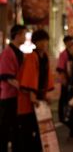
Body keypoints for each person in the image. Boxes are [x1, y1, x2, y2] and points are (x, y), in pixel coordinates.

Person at [17, 29, 54, 152]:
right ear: (35, 42)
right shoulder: (32, 57)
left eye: (45, 41)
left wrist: (45, 95)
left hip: (39, 97)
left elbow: (46, 78)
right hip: (29, 99)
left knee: (40, 130)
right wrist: (33, 96)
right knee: (29, 130)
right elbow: (30, 77)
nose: (43, 43)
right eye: (40, 41)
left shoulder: (45, 57)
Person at [0, 24, 27, 152]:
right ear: (17, 35)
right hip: (9, 95)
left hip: (18, 95)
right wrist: (22, 87)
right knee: (5, 126)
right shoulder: (7, 52)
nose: (25, 37)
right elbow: (6, 76)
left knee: (17, 126)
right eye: (24, 34)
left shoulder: (20, 53)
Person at [56, 35, 73, 124]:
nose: (70, 44)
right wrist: (63, 80)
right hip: (65, 80)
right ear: (65, 43)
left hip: (71, 80)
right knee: (63, 98)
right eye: (68, 42)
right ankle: (61, 116)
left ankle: (68, 115)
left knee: (69, 98)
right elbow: (60, 68)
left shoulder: (72, 52)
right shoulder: (63, 54)